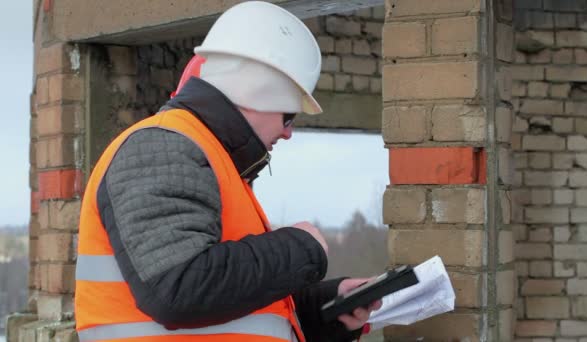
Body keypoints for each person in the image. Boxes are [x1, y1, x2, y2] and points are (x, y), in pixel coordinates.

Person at [74, 2, 380, 341]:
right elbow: (179, 289)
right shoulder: (161, 147)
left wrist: (324, 310)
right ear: (257, 94)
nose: (289, 132)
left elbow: (229, 301)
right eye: (289, 116)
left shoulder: (211, 161)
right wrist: (301, 249)